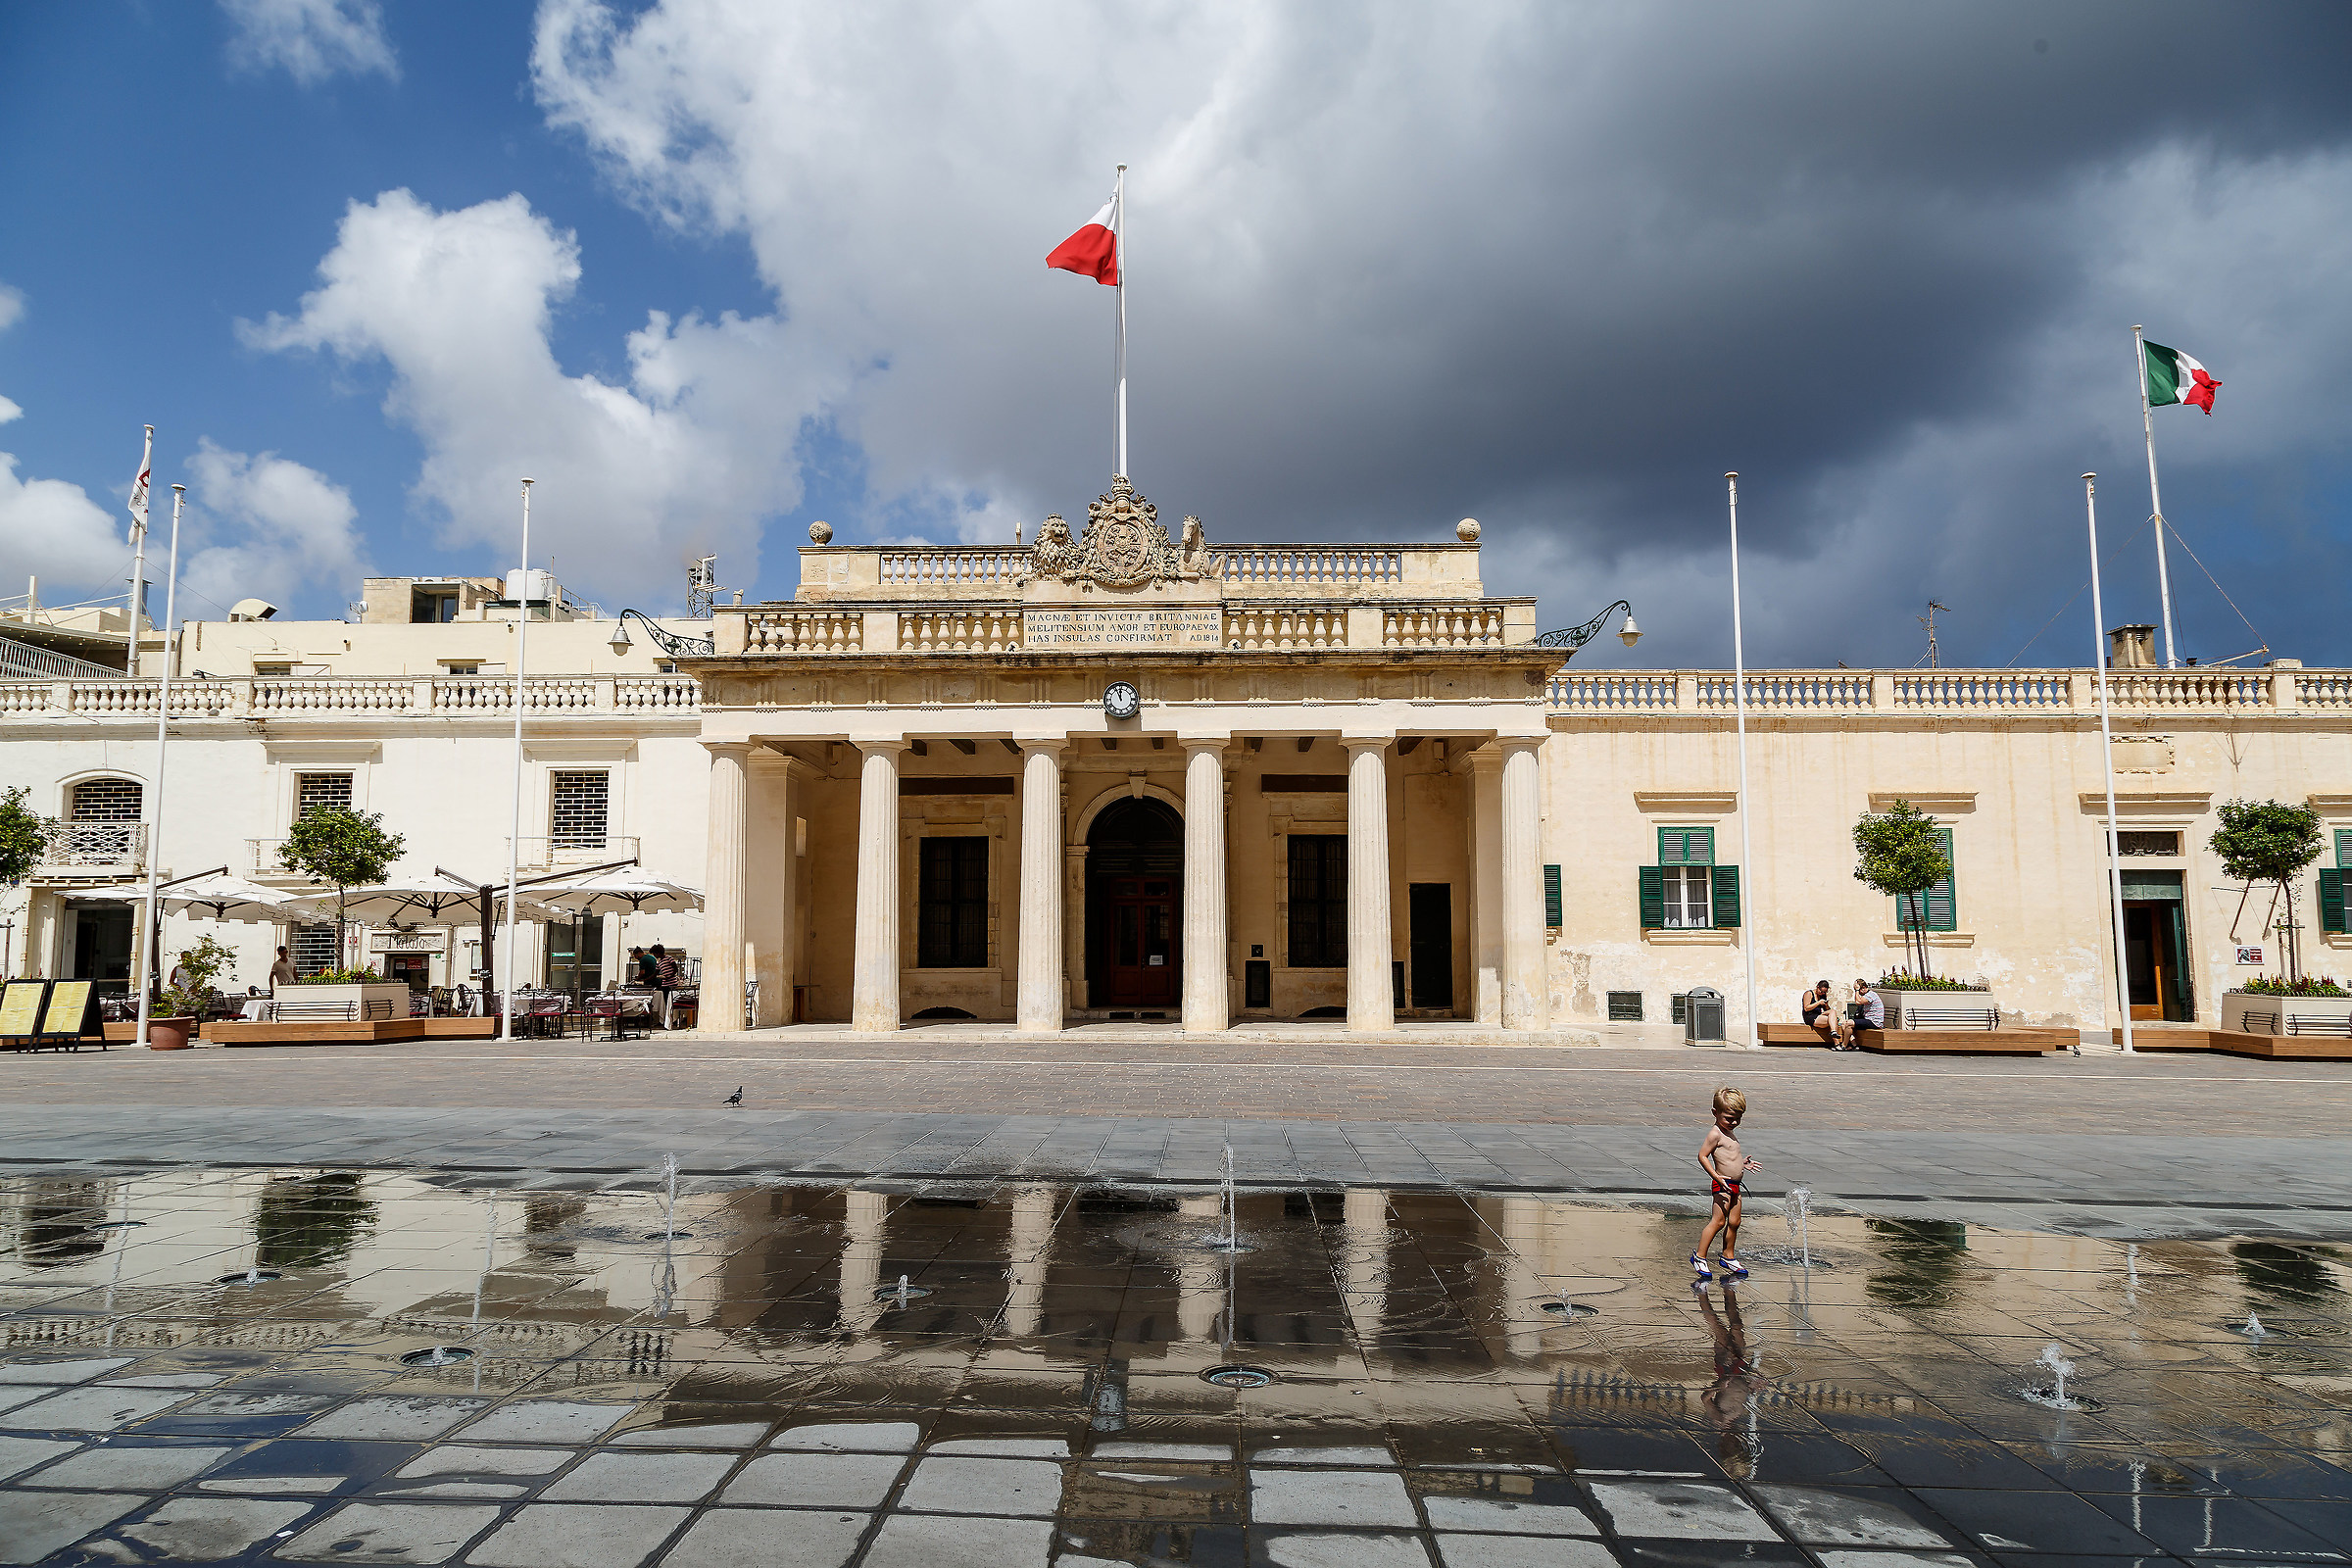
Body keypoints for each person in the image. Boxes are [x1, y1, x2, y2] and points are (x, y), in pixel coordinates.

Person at [1692, 1085, 1760, 1281]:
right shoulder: (1715, 1133)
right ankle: (1700, 1256)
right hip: (1722, 1184)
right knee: (1719, 1221)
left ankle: (1728, 1256)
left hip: (1735, 1186)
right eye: (1729, 1118)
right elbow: (1702, 1156)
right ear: (1715, 1112)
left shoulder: (1728, 1132)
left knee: (1735, 1222)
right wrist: (1716, 1176)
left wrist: (1743, 1164)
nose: (1734, 1122)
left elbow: (1729, 1157)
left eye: (1738, 1118)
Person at [1834, 978, 1884, 1049]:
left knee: (1849, 1023)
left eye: (1857, 989)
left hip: (1874, 1022)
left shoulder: (1871, 994)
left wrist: (1856, 990)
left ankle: (1844, 1046)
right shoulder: (1866, 995)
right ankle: (1854, 1045)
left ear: (1863, 988)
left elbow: (1858, 1002)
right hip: (1868, 1019)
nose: (1857, 992)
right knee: (1844, 1023)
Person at [1800, 980, 1836, 1046]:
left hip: (1819, 1015)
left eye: (1824, 992)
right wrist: (1818, 1003)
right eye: (1821, 991)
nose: (1822, 993)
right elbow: (1806, 1008)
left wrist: (1826, 1005)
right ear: (1817, 987)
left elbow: (1826, 1010)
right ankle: (1837, 1043)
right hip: (1810, 1016)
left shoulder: (1822, 995)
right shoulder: (1809, 993)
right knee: (1833, 1021)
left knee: (1832, 1012)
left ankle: (1834, 1032)